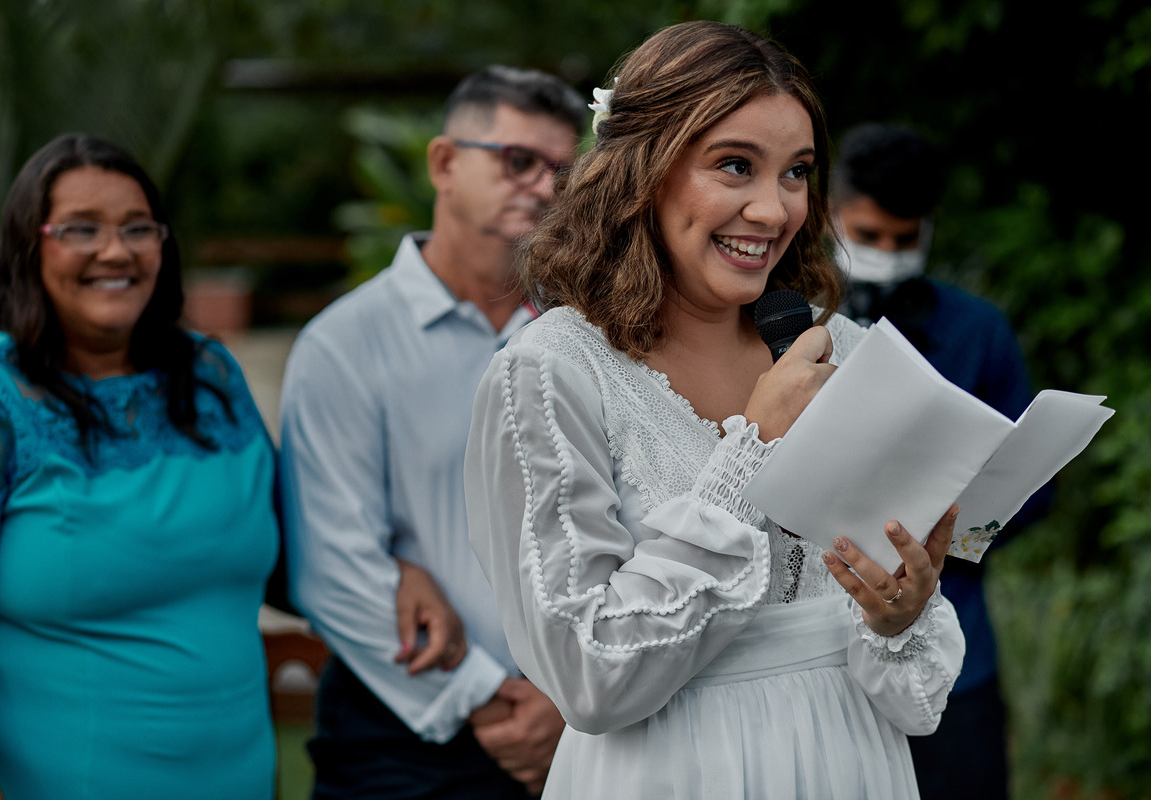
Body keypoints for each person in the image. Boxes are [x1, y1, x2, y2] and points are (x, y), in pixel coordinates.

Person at [463, 22, 967, 800]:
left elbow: (919, 699)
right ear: (644, 173)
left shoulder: (846, 351)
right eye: (735, 166)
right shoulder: (550, 373)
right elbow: (588, 678)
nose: (772, 210)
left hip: (850, 763)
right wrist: (755, 449)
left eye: (797, 173)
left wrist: (899, 618)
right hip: (670, 769)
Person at [278, 65, 588, 799]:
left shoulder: (588, 335)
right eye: (517, 161)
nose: (543, 188)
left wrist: (570, 699)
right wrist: (484, 697)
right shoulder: (343, 343)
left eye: (562, 171)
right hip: (400, 737)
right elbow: (331, 565)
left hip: (581, 717)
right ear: (446, 162)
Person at [0, 133, 279, 799]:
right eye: (81, 229)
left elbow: (292, 564)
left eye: (138, 228)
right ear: (28, 244)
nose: (115, 250)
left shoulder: (210, 376)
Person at [832, 121, 1049, 800]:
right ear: (831, 214)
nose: (887, 255)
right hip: (823, 651)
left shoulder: (978, 330)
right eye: (868, 237)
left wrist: (950, 534)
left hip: (955, 648)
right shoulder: (786, 318)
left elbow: (1032, 492)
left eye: (905, 240)